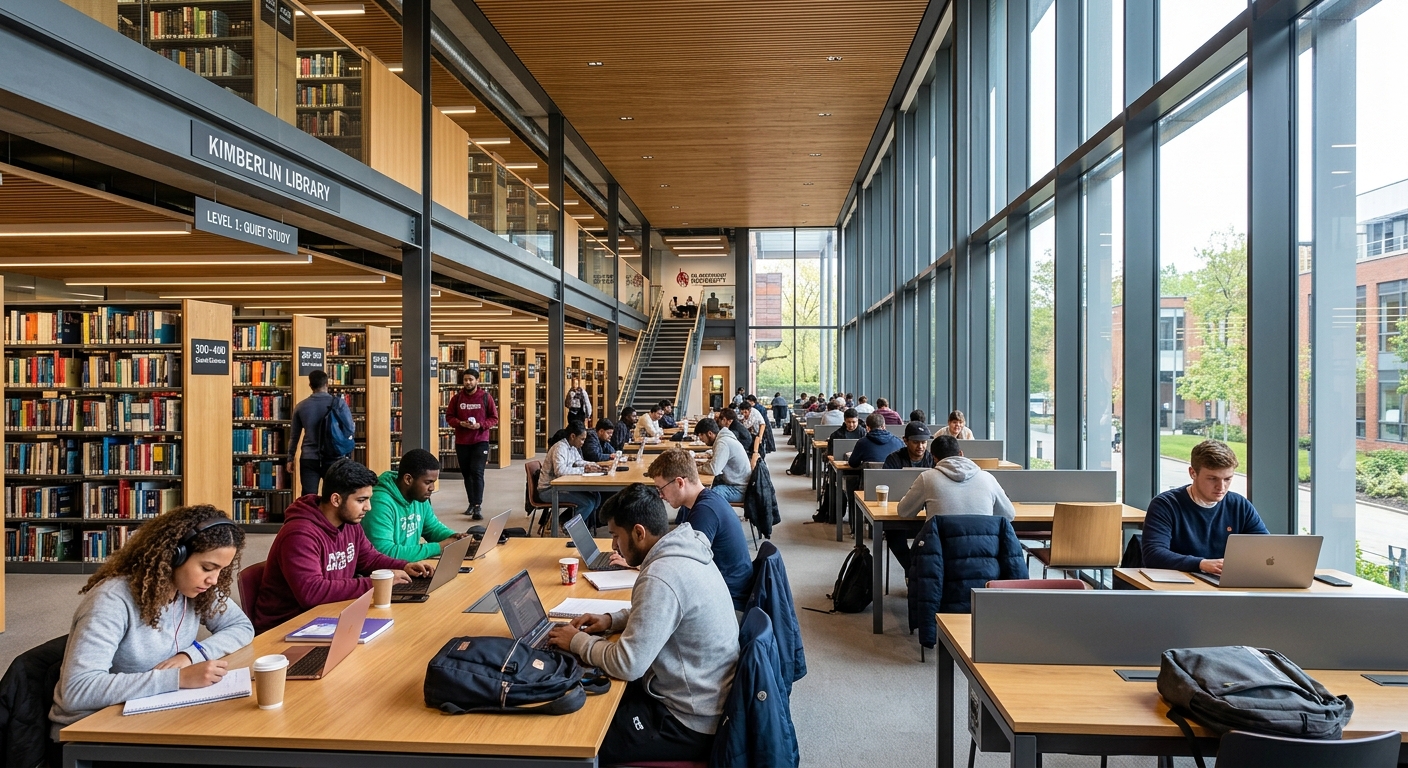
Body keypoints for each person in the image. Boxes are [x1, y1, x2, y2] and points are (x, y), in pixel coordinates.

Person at [547, 484, 739, 764]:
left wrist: (577, 641)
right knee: (594, 693)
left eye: (616, 535)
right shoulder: (685, 549)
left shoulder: (662, 575)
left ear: (639, 532)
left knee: (582, 735)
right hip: (706, 695)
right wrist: (611, 620)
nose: (613, 546)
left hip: (688, 721)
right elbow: (667, 611)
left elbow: (628, 664)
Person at [51, 506, 254, 738]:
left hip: (151, 711)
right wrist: (178, 678)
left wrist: (191, 656)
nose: (214, 580)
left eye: (221, 570)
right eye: (207, 568)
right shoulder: (111, 601)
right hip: (90, 730)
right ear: (175, 555)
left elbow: (241, 627)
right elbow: (77, 690)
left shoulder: (194, 588)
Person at [252, 459, 430, 634]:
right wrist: (376, 583)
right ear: (336, 499)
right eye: (361, 500)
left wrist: (404, 566)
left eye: (369, 499)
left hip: (328, 615)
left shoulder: (350, 523)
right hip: (286, 627)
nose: (368, 507)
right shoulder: (299, 534)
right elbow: (312, 593)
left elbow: (369, 558)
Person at [884, 435, 1015, 577]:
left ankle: (912, 573)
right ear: (961, 453)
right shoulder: (988, 478)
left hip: (941, 555)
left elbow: (904, 512)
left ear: (934, 458)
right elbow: (1009, 514)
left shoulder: (927, 478)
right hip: (985, 553)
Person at [1142, 439, 1268, 573]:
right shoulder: (1166, 504)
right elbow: (1153, 555)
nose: (1221, 487)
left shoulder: (1239, 505)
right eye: (1212, 479)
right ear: (1193, 473)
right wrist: (1201, 564)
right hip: (1179, 580)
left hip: (1224, 580)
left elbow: (1266, 548)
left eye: (1227, 479)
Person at [646, 449, 752, 607]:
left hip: (728, 600)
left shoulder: (705, 512)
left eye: (661, 489)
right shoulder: (705, 501)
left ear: (680, 483)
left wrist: (642, 564)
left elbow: (684, 568)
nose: (661, 495)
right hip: (727, 588)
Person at [363, 449, 466, 562]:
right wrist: (439, 547)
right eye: (428, 482)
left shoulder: (419, 496)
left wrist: (456, 537)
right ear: (408, 479)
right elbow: (385, 553)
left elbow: (432, 528)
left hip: (409, 566)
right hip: (387, 569)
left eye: (433, 482)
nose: (432, 488)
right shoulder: (379, 503)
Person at [286, 370, 355, 498]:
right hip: (334, 456)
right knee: (334, 496)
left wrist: (290, 458)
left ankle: (310, 512)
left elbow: (294, 436)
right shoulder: (339, 403)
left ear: (310, 385)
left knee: (309, 497)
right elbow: (350, 429)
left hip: (309, 458)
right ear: (327, 384)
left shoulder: (301, 406)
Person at [446, 368, 498, 519]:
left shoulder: (485, 397)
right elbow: (449, 417)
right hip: (462, 442)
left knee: (477, 471)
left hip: (480, 440)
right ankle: (471, 503)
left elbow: (494, 418)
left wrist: (480, 425)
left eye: (471, 379)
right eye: (465, 380)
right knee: (467, 474)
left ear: (477, 381)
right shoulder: (457, 399)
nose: (468, 382)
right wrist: (460, 423)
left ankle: (477, 505)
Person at [539, 421, 607, 526]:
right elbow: (560, 471)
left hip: (562, 486)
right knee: (588, 503)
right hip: (549, 489)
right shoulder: (560, 448)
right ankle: (570, 528)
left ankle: (568, 521)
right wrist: (584, 470)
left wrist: (594, 466)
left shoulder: (572, 447)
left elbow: (578, 461)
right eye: (582, 439)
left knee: (596, 497)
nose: (583, 442)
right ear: (573, 436)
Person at [694, 417, 750, 503]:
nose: (700, 438)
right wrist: (701, 465)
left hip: (739, 489)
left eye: (701, 435)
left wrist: (695, 469)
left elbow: (714, 469)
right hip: (737, 483)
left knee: (707, 496)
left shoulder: (723, 443)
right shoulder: (723, 438)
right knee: (702, 492)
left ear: (710, 433)